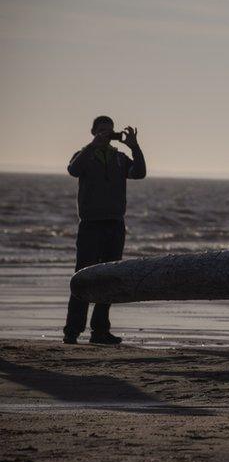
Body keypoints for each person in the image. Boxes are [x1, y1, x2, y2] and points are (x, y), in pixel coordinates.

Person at [63, 115, 146, 345]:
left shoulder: (119, 158)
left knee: (109, 278)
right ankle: (72, 330)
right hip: (90, 224)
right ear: (93, 132)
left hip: (115, 224)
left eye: (109, 131)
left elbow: (139, 173)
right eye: (101, 131)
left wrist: (135, 147)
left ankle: (100, 330)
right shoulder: (84, 155)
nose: (105, 135)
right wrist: (92, 146)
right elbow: (73, 170)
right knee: (83, 277)